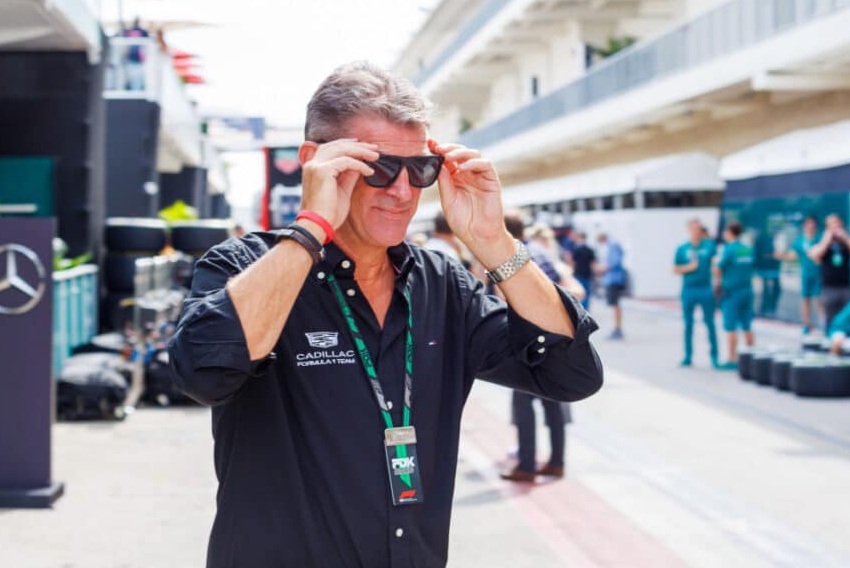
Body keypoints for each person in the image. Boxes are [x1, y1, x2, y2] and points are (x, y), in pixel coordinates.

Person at [168, 61, 603, 567]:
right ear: (316, 161)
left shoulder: (443, 286)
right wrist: (310, 231)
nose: (401, 192)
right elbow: (201, 373)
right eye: (377, 169)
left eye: (419, 171)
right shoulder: (243, 266)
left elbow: (570, 374)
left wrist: (493, 241)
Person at [499, 213, 583, 483]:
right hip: (558, 338)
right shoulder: (538, 250)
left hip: (532, 341)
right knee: (553, 404)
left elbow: (507, 298)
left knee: (523, 404)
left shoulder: (513, 258)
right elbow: (567, 284)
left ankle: (526, 464)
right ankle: (557, 462)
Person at [673, 218, 721, 368]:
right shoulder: (682, 249)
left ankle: (714, 356)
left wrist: (718, 282)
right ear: (689, 230)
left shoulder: (709, 246)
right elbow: (675, 269)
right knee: (688, 324)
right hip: (689, 290)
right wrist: (689, 267)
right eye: (694, 228)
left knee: (710, 323)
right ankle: (688, 356)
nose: (697, 231)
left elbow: (716, 265)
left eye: (699, 228)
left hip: (705, 288)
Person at [808, 213, 850, 330]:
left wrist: (845, 237)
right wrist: (827, 239)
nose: (834, 227)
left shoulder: (846, 242)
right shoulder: (822, 241)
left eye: (836, 224)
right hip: (829, 288)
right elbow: (814, 255)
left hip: (845, 287)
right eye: (831, 225)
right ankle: (829, 338)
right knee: (829, 318)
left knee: (848, 317)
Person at [713, 221, 755, 364]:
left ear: (730, 233)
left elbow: (718, 268)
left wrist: (717, 285)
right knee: (747, 326)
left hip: (732, 293)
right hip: (747, 291)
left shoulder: (728, 249)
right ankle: (752, 357)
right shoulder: (747, 249)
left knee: (731, 327)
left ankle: (732, 358)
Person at [775, 216, 823, 334]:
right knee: (805, 299)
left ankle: (823, 324)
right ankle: (807, 324)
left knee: (819, 300)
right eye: (808, 224)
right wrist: (781, 256)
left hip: (819, 274)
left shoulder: (820, 238)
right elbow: (793, 256)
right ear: (804, 226)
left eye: (813, 224)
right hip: (806, 274)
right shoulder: (800, 241)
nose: (811, 226)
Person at [596, 232, 626, 340]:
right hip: (613, 279)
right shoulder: (612, 245)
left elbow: (614, 262)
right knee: (615, 304)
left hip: (614, 279)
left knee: (615, 304)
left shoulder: (613, 245)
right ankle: (617, 328)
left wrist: (602, 269)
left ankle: (618, 329)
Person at [568, 231, 596, 309]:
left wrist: (571, 272)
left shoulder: (576, 250)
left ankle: (580, 308)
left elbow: (573, 262)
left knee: (580, 292)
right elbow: (592, 263)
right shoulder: (590, 250)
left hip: (578, 273)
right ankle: (586, 309)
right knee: (587, 292)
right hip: (587, 273)